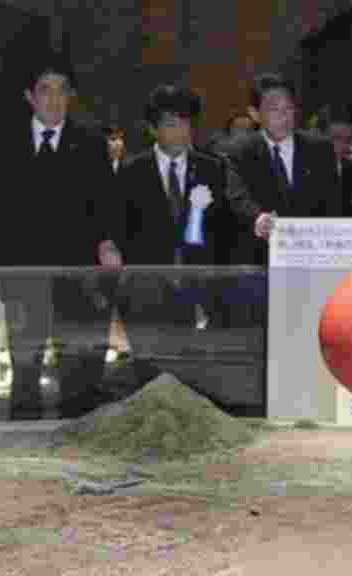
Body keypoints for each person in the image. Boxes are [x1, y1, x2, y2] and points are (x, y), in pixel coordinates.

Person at [0, 54, 118, 419]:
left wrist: (106, 244)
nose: (54, 99)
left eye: (62, 91)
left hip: (76, 275)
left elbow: (105, 205)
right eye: (45, 90)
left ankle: (77, 443)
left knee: (75, 367)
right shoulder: (6, 143)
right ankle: (24, 448)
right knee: (25, 368)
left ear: (70, 96)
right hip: (23, 274)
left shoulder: (90, 142)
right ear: (30, 96)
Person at [111, 85, 239, 378]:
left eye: (186, 124)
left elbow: (224, 231)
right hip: (147, 290)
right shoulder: (132, 171)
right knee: (149, 373)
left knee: (193, 376)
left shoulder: (213, 169)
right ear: (153, 129)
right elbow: (121, 230)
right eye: (171, 124)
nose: (181, 132)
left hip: (200, 289)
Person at [217, 72, 340, 267]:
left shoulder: (319, 149)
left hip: (310, 259)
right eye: (273, 110)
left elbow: (332, 205)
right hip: (259, 261)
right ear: (255, 114)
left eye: (288, 109)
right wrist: (257, 218)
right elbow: (238, 196)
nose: (283, 117)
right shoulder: (239, 151)